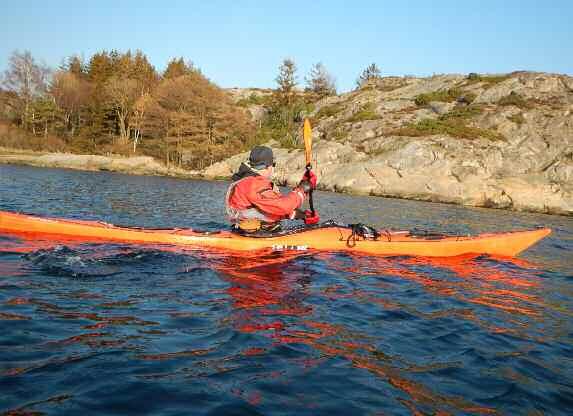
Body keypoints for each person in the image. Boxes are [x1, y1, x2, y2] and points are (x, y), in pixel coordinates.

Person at [226, 145, 319, 232]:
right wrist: (302, 189)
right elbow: (283, 206)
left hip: (251, 231)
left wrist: (302, 215)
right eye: (273, 165)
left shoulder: (248, 181)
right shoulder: (254, 184)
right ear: (268, 166)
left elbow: (272, 208)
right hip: (254, 234)